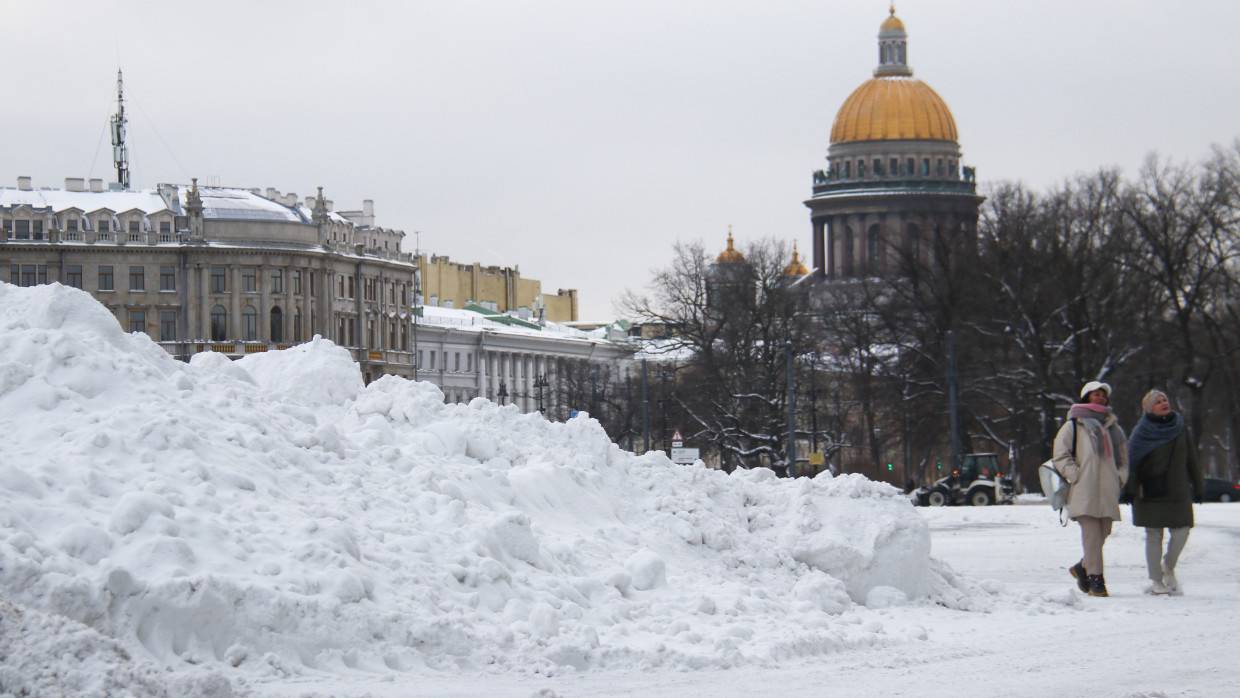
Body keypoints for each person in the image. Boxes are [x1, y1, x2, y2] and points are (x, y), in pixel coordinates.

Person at [1052, 381, 1129, 597]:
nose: (1100, 398)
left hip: (1107, 490)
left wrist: (1120, 477)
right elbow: (1060, 454)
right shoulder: (1073, 426)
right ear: (1087, 397)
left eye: (1103, 395)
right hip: (1083, 489)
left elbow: (1123, 458)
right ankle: (1097, 580)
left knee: (1103, 532)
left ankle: (1081, 567)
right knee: (1092, 536)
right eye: (1095, 394)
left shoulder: (1114, 428)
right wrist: (1074, 474)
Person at [1122, 389, 1202, 595]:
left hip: (1178, 489)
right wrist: (1129, 489)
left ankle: (1169, 564)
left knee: (1182, 531)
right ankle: (1156, 580)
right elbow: (1132, 463)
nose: (1163, 403)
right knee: (1153, 535)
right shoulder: (1141, 432)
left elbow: (1192, 458)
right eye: (1157, 401)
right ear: (1149, 408)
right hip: (1149, 491)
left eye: (1165, 399)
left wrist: (1199, 485)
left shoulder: (1181, 427)